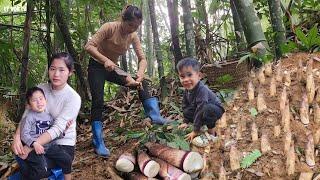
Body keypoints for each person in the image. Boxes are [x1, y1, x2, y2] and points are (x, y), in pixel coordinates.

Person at [84, 5, 169, 157]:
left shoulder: (133, 36)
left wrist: (140, 74)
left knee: (141, 83)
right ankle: (98, 141)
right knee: (98, 100)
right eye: (130, 25)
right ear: (123, 19)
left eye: (136, 27)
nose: (132, 29)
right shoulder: (109, 27)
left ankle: (154, 115)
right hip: (97, 66)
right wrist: (104, 60)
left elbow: (142, 58)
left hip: (114, 69)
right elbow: (89, 46)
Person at [11, 52, 81, 180]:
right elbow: (27, 114)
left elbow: (57, 129)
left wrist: (31, 146)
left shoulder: (73, 98)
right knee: (21, 153)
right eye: (53, 69)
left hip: (61, 144)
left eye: (61, 70)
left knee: (41, 169)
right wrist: (16, 136)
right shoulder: (40, 89)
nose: (56, 74)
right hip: (36, 138)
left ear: (70, 72)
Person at [18, 86, 73, 180]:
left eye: (41, 98)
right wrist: (34, 143)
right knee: (41, 170)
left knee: (67, 159)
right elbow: (24, 135)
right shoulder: (29, 117)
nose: (39, 102)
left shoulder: (49, 116)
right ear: (29, 104)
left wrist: (64, 130)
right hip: (33, 149)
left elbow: (53, 134)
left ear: (45, 100)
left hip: (49, 146)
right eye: (34, 100)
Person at [177, 58, 225, 141]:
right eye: (182, 76)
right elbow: (185, 105)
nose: (186, 79)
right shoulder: (187, 90)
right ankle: (201, 125)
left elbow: (201, 108)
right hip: (202, 110)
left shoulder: (202, 89)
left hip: (216, 110)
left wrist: (195, 130)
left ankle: (212, 134)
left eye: (189, 75)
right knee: (187, 109)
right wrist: (185, 121)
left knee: (207, 109)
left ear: (199, 76)